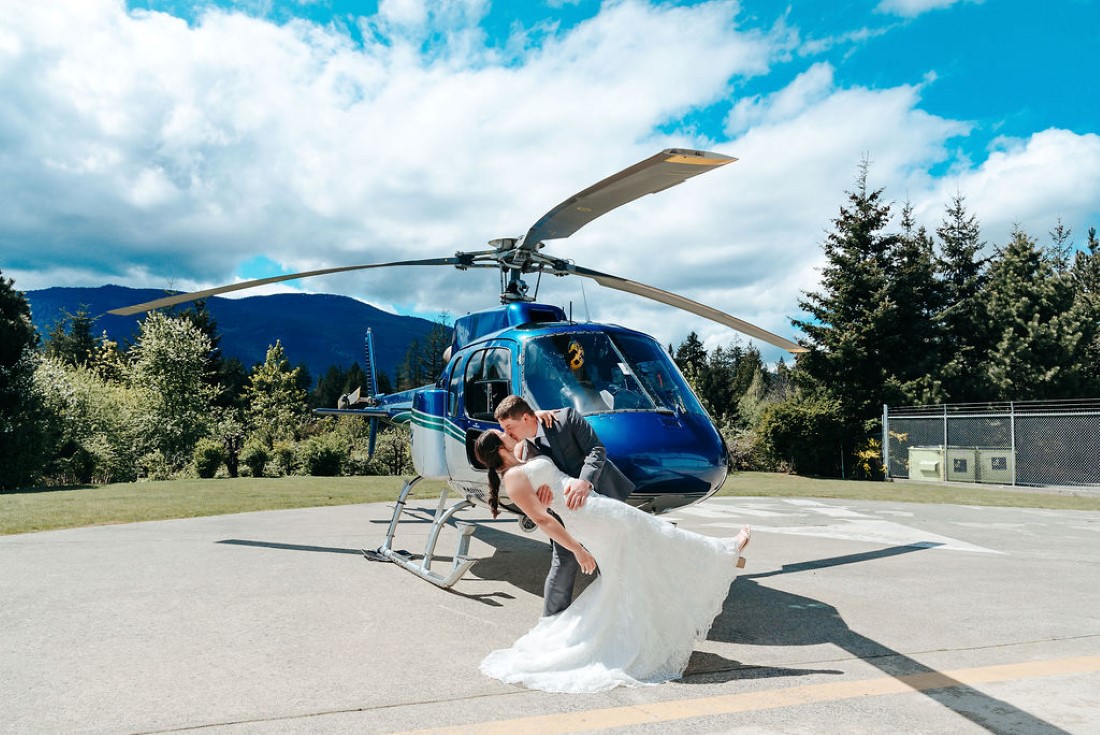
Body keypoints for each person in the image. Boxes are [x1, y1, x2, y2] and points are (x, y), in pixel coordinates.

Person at [474, 429, 751, 693]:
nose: (506, 433)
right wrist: (577, 549)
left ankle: (639, 637)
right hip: (590, 520)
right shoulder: (511, 477)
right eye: (502, 435)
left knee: (635, 562)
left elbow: (543, 481)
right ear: (498, 448)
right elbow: (542, 520)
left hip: (594, 506)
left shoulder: (521, 458)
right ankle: (725, 550)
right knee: (660, 535)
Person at [493, 394, 633, 616]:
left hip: (601, 498)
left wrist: (584, 482)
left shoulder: (565, 418)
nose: (507, 434)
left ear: (527, 418)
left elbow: (596, 450)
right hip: (563, 513)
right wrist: (541, 498)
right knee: (564, 560)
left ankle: (617, 616)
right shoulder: (521, 450)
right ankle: (551, 621)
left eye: (509, 427)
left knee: (612, 559)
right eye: (504, 429)